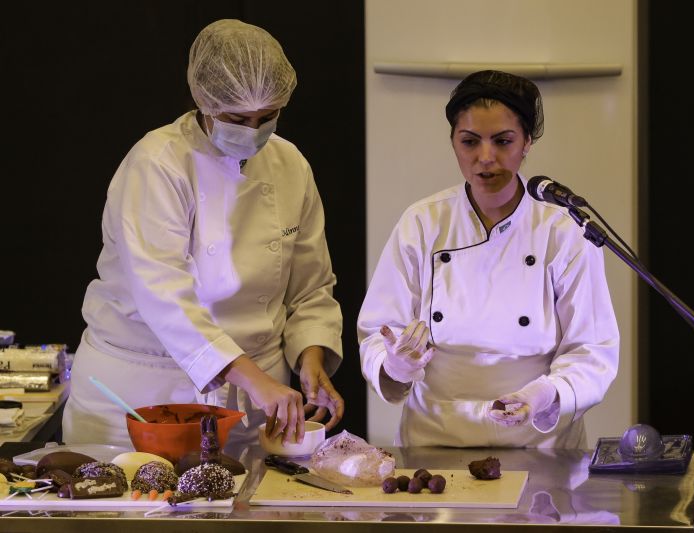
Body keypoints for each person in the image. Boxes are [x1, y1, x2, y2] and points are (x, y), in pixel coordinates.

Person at [63, 19, 344, 450]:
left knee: (248, 510)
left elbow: (311, 288)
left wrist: (311, 358)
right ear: (203, 99)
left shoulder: (291, 165)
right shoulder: (157, 163)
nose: (253, 131)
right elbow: (164, 296)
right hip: (142, 391)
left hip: (256, 402)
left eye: (267, 117)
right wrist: (255, 381)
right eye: (237, 118)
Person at [358, 70, 619, 448]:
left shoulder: (563, 231)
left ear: (527, 142)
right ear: (453, 142)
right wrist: (395, 364)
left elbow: (592, 349)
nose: (486, 158)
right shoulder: (423, 223)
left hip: (539, 445)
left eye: (503, 141)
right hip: (436, 440)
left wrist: (543, 395)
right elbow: (378, 332)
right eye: (469, 142)